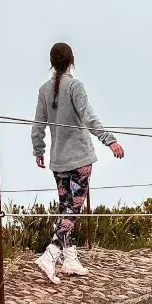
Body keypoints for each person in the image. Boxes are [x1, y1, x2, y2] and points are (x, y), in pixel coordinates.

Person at [31, 42, 124, 285]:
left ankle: (70, 259)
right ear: (72, 60)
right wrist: (110, 140)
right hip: (80, 160)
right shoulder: (75, 86)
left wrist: (38, 150)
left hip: (58, 161)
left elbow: (37, 125)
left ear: (52, 63)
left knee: (66, 208)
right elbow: (89, 117)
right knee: (73, 211)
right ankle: (51, 254)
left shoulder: (43, 90)